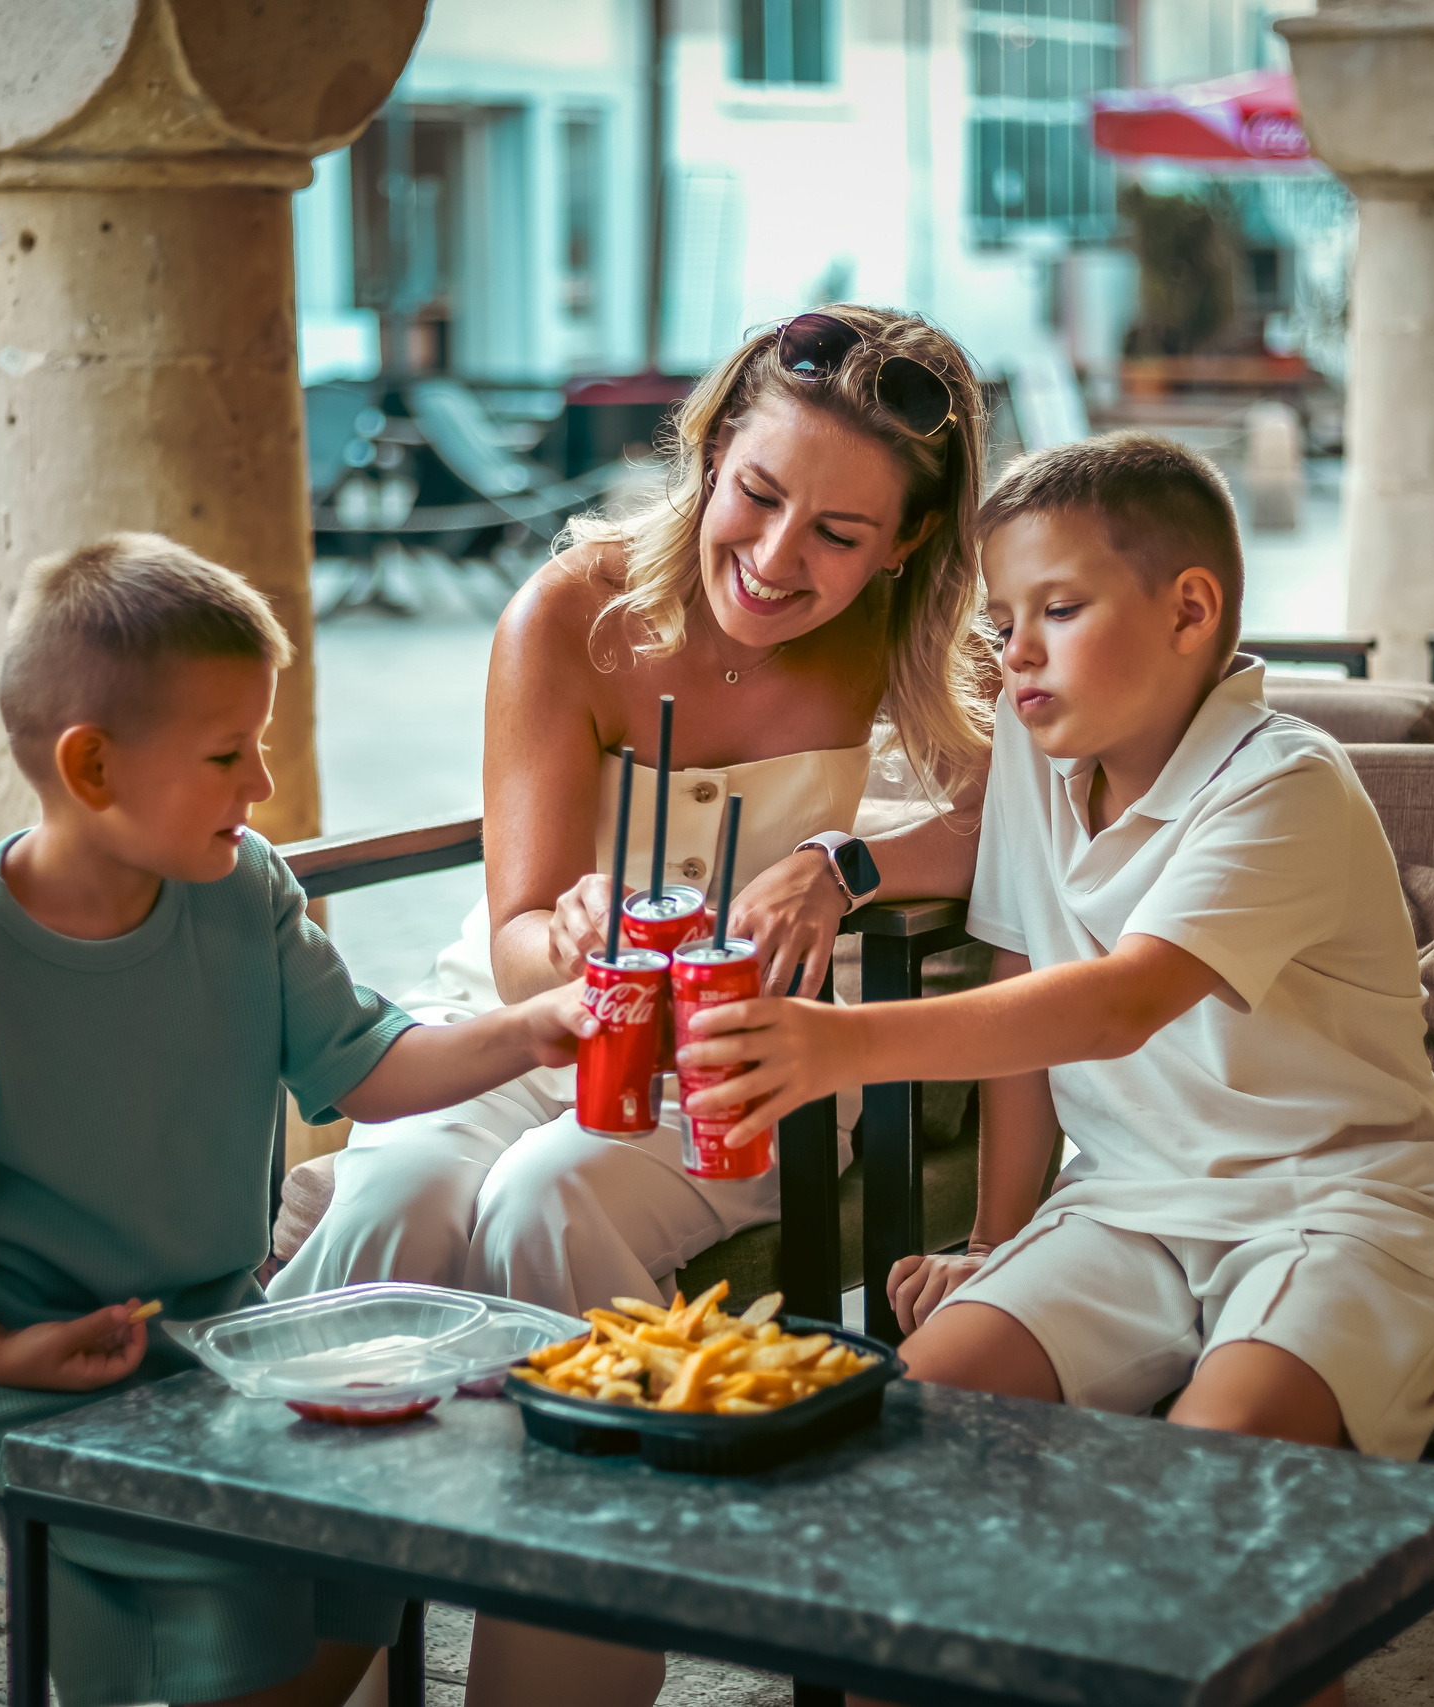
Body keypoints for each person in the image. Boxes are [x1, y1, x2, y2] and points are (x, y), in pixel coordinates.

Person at [680, 435, 1434, 1704]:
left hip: (1335, 1208)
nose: (1014, 654)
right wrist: (996, 1243)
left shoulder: (1284, 784)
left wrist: (841, 1042)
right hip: (1123, 1212)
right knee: (921, 1418)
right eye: (1002, 620)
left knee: (1211, 1474)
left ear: (1190, 611)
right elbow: (1025, 1014)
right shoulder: (1036, 764)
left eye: (1057, 612)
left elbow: (1117, 1005)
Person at [271, 306, 993, 1706]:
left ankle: (567, 1654)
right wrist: (578, 933)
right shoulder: (574, 611)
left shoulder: (917, 642)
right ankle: (291, 1656)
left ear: (905, 542)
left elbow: (1015, 820)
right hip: (527, 1025)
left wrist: (843, 861)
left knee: (550, 1197)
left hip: (745, 1057)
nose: (780, 560)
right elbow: (526, 923)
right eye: (762, 494)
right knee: (394, 1201)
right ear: (713, 449)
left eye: (841, 534)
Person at [0, 534, 592, 1707]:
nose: (263, 786)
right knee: (224, 1560)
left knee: (386, 1524)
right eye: (230, 753)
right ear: (91, 769)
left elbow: (363, 1059)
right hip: (24, 1357)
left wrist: (531, 1028)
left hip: (221, 1332)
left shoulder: (245, 891)